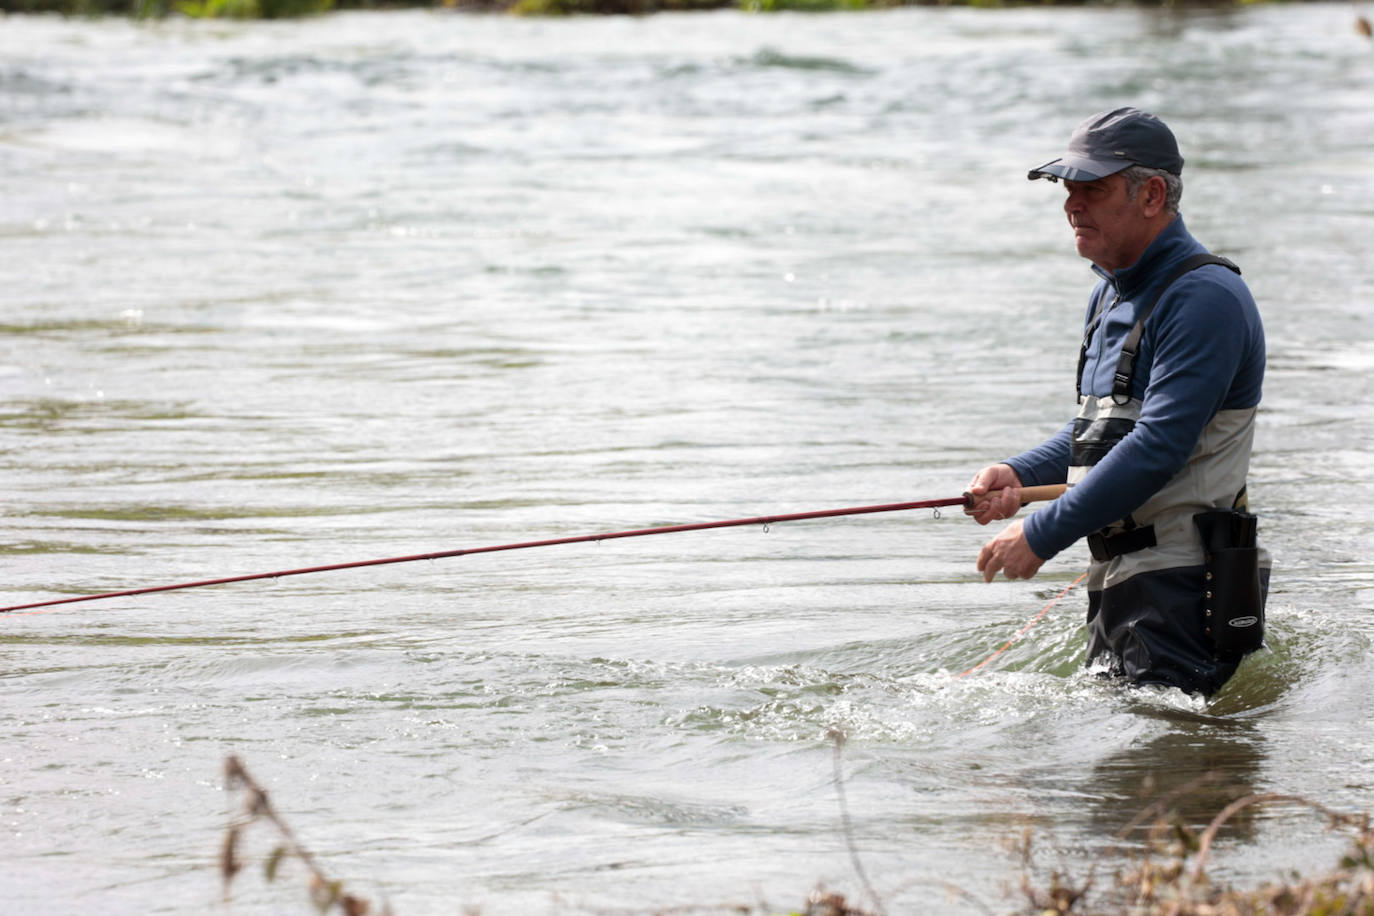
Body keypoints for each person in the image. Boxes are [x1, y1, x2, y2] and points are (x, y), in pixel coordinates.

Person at [964, 107, 1270, 697]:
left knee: (1167, 778)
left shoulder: (1207, 298)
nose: (1071, 205)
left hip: (1185, 588)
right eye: (1068, 188)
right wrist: (1020, 471)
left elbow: (1157, 447)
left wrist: (1040, 533)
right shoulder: (1109, 294)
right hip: (1122, 582)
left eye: (1093, 189)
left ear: (1152, 194)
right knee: (1119, 781)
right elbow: (1100, 429)